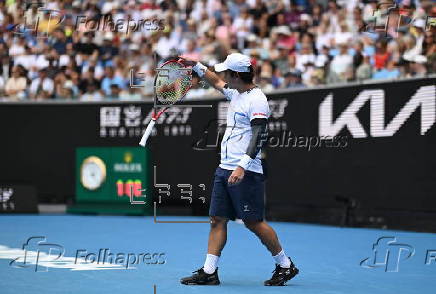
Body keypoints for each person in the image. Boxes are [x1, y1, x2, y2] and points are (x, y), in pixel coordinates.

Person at [179, 53, 299, 286]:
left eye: (227, 72)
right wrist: (197, 66)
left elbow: (260, 135)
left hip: (246, 171)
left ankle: (285, 265)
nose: (223, 75)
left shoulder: (257, 100)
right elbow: (215, 80)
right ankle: (209, 271)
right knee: (216, 219)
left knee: (254, 222)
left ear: (236, 75)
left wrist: (242, 166)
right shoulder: (236, 92)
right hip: (224, 169)